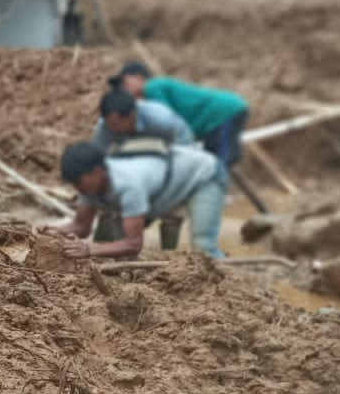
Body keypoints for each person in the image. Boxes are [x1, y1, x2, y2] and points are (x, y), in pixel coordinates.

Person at [55, 141, 228, 260]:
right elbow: (82, 227)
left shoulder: (128, 185)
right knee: (113, 242)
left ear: (98, 172)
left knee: (204, 247)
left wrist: (89, 249)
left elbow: (134, 244)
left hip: (204, 175)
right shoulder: (88, 184)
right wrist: (48, 232)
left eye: (78, 182)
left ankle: (233, 288)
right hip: (162, 185)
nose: (76, 188)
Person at [110, 61, 249, 168]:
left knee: (221, 162)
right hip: (214, 120)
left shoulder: (152, 87)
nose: (123, 89)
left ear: (139, 77)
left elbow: (167, 119)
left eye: (124, 83)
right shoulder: (151, 94)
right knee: (211, 163)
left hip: (223, 113)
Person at [90, 88, 195, 152]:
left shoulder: (161, 118)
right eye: (109, 124)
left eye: (116, 124)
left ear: (132, 115)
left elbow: (186, 143)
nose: (112, 128)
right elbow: (98, 155)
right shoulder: (104, 126)